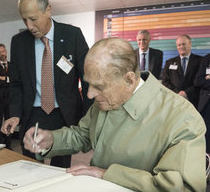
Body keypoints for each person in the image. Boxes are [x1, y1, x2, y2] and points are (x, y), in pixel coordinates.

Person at [23, 37, 206, 191]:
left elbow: (181, 187)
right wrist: (51, 139)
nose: (89, 94)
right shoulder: (106, 98)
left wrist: (107, 174)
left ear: (128, 79)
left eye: (99, 86)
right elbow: (84, 134)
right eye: (89, 84)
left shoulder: (183, 117)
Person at [1, 0, 93, 168]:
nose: (29, 26)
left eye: (34, 19)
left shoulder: (72, 35)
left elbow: (88, 78)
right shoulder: (19, 42)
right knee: (30, 165)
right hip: (33, 114)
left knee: (61, 167)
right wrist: (14, 113)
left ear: (48, 10)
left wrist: (89, 117)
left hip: (64, 114)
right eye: (24, 19)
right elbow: (16, 83)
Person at [162, 34, 202, 108]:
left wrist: (186, 93)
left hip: (194, 100)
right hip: (174, 99)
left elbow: (201, 80)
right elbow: (165, 81)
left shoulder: (200, 61)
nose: (181, 47)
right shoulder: (169, 62)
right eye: (179, 45)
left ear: (190, 44)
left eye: (183, 44)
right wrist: (177, 92)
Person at [194, 53, 210, 153]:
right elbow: (198, 81)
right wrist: (205, 79)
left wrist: (207, 78)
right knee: (206, 134)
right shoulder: (206, 59)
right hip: (207, 104)